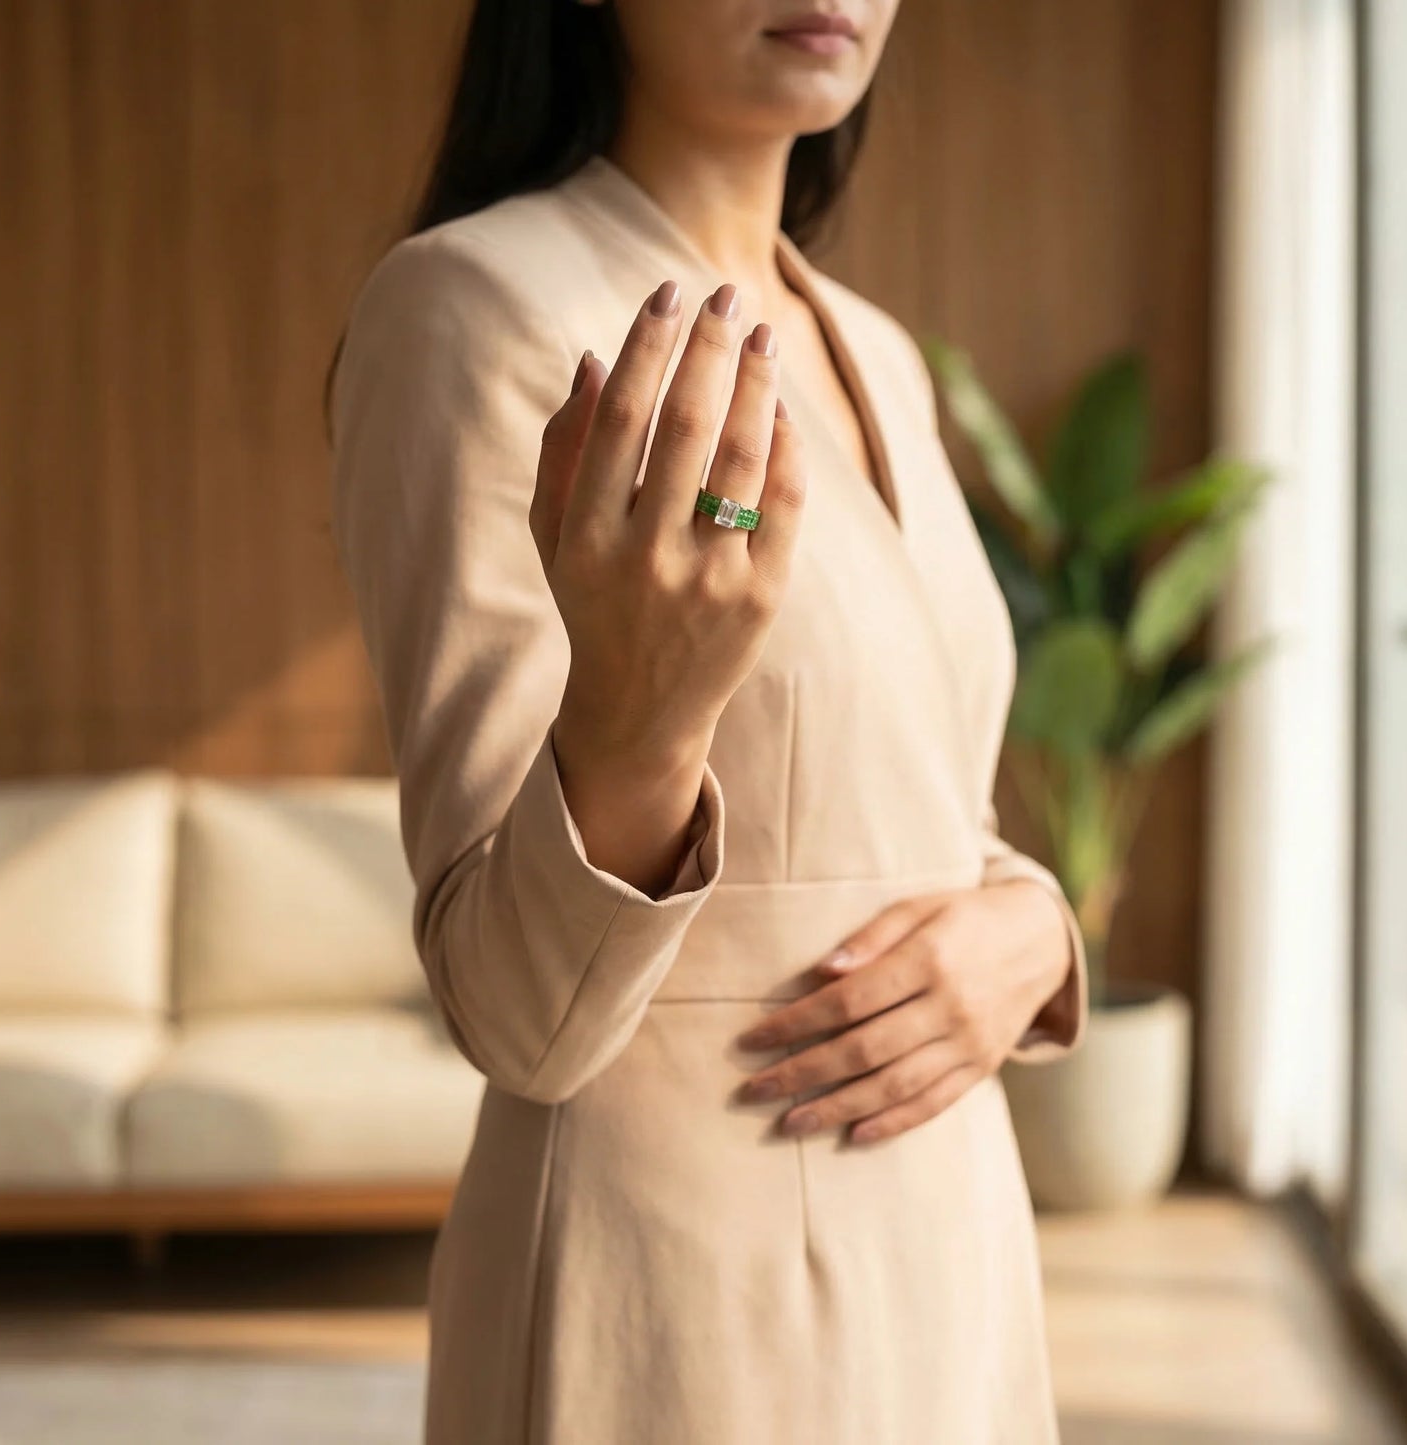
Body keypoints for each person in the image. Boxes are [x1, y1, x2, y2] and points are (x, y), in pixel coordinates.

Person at [328, 1, 1089, 1440]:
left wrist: (1034, 931)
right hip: (682, 1282)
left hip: (951, 1245)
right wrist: (636, 727)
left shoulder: (876, 349)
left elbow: (922, 802)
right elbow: (510, 1008)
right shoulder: (472, 308)